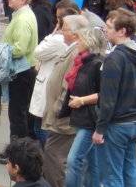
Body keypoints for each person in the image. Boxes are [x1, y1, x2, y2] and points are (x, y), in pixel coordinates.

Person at [93, 8, 136, 187]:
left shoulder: (115, 59)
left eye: (109, 27)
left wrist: (100, 129)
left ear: (122, 31)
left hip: (118, 124)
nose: (106, 30)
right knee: (130, 168)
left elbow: (108, 99)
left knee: (112, 175)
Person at [37, 12, 85, 187]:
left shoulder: (75, 54)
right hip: (61, 115)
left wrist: (58, 111)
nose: (60, 32)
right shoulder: (71, 50)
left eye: (63, 29)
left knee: (54, 155)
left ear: (74, 33)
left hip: (63, 118)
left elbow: (68, 86)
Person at [63, 18, 108, 187]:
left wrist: (82, 100)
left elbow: (105, 94)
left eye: (81, 39)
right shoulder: (82, 62)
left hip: (91, 119)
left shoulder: (97, 64)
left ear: (89, 42)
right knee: (92, 161)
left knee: (73, 160)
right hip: (82, 117)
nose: (77, 42)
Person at [0, 0, 39, 158]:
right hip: (24, 71)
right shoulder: (21, 14)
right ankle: (19, 147)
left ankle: (18, 151)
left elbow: (19, 49)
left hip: (21, 72)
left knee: (17, 113)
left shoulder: (22, 19)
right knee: (19, 111)